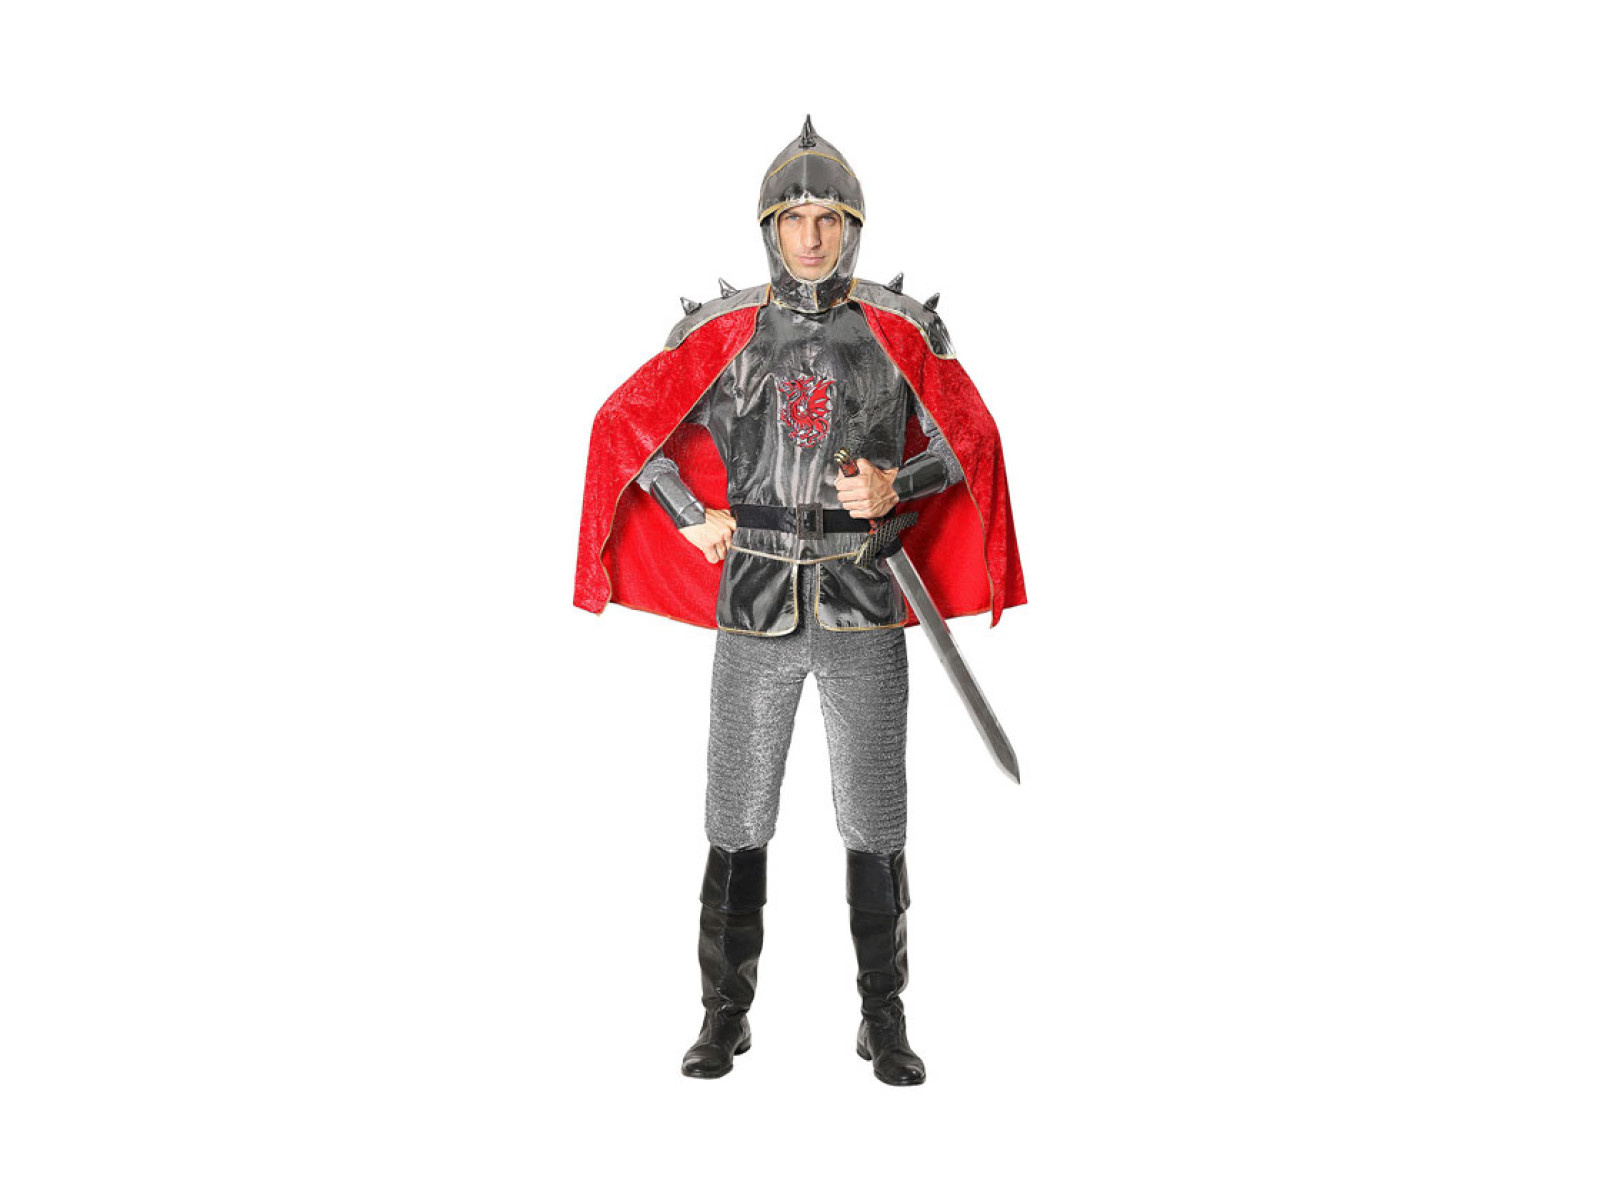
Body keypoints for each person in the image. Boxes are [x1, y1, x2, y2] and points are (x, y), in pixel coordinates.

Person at [574, 117, 1025, 1086]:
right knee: (736, 815)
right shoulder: (724, 332)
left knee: (875, 820)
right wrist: (688, 511)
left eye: (828, 219)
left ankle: (883, 1019)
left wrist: (899, 482)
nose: (811, 237)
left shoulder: (898, 330)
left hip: (864, 595)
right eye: (793, 218)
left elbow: (974, 441)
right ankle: (722, 1016)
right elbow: (624, 424)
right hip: (757, 600)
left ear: (852, 227)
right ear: (768, 227)